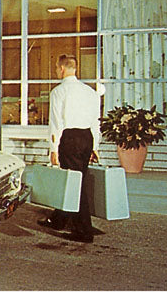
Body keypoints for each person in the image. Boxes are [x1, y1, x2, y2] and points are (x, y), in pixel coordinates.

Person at [37, 54, 101, 243]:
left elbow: (56, 123)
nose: (57, 71)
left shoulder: (58, 92)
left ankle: (84, 231)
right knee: (75, 179)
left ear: (62, 69)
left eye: (57, 68)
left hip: (70, 138)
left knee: (74, 183)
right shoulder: (90, 92)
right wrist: (95, 146)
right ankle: (58, 220)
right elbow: (95, 121)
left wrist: (53, 148)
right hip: (86, 137)